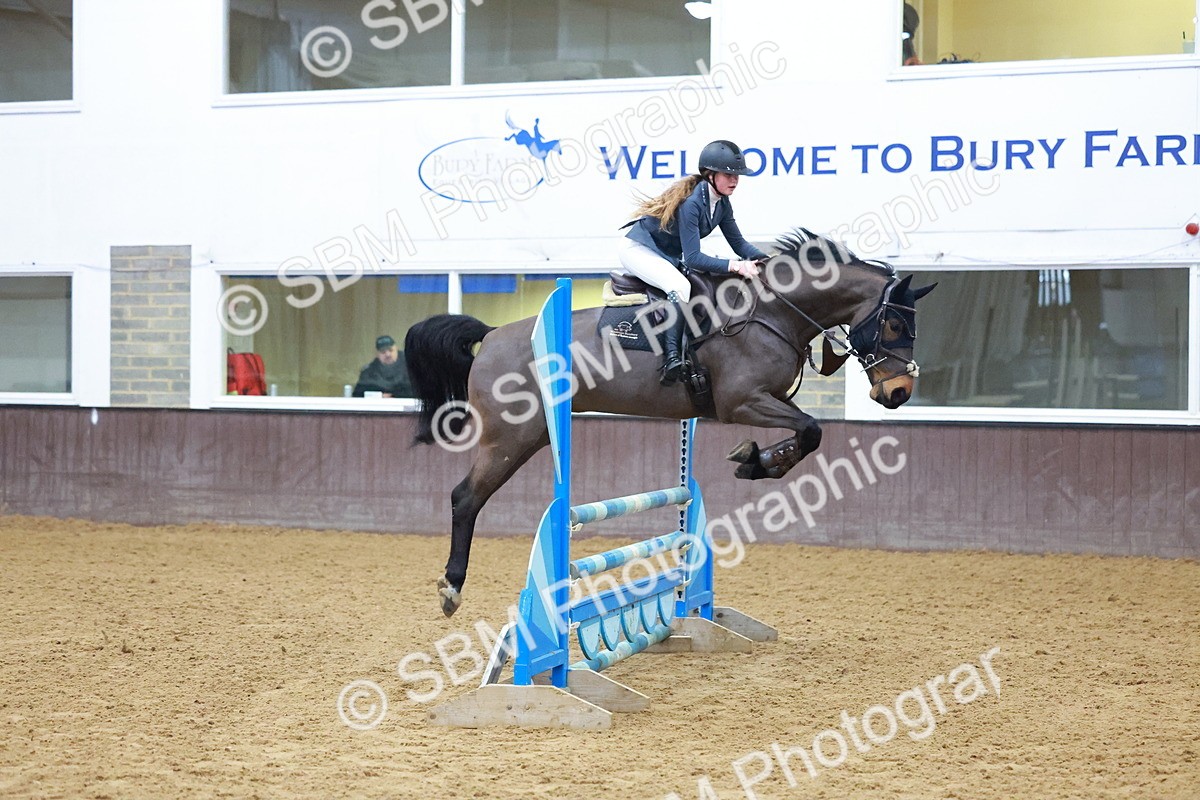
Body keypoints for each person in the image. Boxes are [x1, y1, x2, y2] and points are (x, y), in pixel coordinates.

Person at [617, 139, 768, 385]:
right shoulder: (693, 203)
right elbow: (694, 258)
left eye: (737, 175)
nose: (735, 180)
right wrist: (736, 265)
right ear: (710, 175)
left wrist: (768, 261)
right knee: (681, 287)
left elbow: (739, 245)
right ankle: (672, 359)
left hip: (662, 253)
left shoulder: (721, 203)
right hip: (638, 249)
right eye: (728, 174)